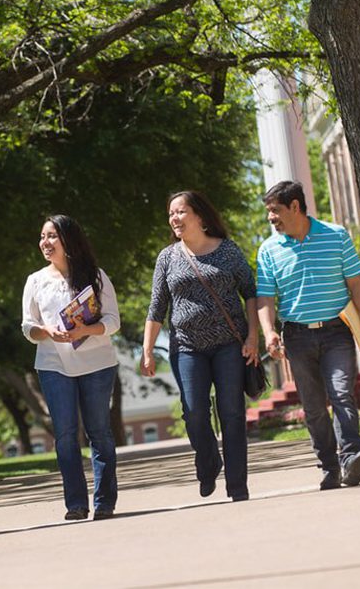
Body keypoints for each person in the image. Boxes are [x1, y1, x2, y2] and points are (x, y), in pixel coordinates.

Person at [256, 180, 360, 490]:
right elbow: (266, 298)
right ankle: (329, 466)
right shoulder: (269, 250)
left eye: (275, 210)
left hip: (337, 332)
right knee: (312, 406)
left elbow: (356, 283)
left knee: (342, 395)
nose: (271, 217)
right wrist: (269, 333)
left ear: (295, 206)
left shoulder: (335, 236)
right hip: (296, 336)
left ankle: (351, 457)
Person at [141, 191, 259, 502]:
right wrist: (147, 349)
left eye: (180, 212)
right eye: (171, 214)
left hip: (229, 346)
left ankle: (237, 485)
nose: (174, 219)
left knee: (232, 413)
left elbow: (251, 293)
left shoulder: (227, 251)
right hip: (187, 346)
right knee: (194, 412)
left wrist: (253, 337)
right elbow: (157, 306)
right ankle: (208, 462)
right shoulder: (168, 258)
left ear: (200, 217)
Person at [21, 215, 120, 521]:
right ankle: (75, 504)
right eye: (42, 237)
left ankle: (104, 501)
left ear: (68, 240)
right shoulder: (35, 281)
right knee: (65, 436)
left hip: (97, 363)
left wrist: (85, 331)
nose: (45, 243)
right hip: (53, 365)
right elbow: (27, 327)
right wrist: (47, 332)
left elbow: (113, 321)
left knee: (99, 433)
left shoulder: (96, 276)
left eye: (51, 236)